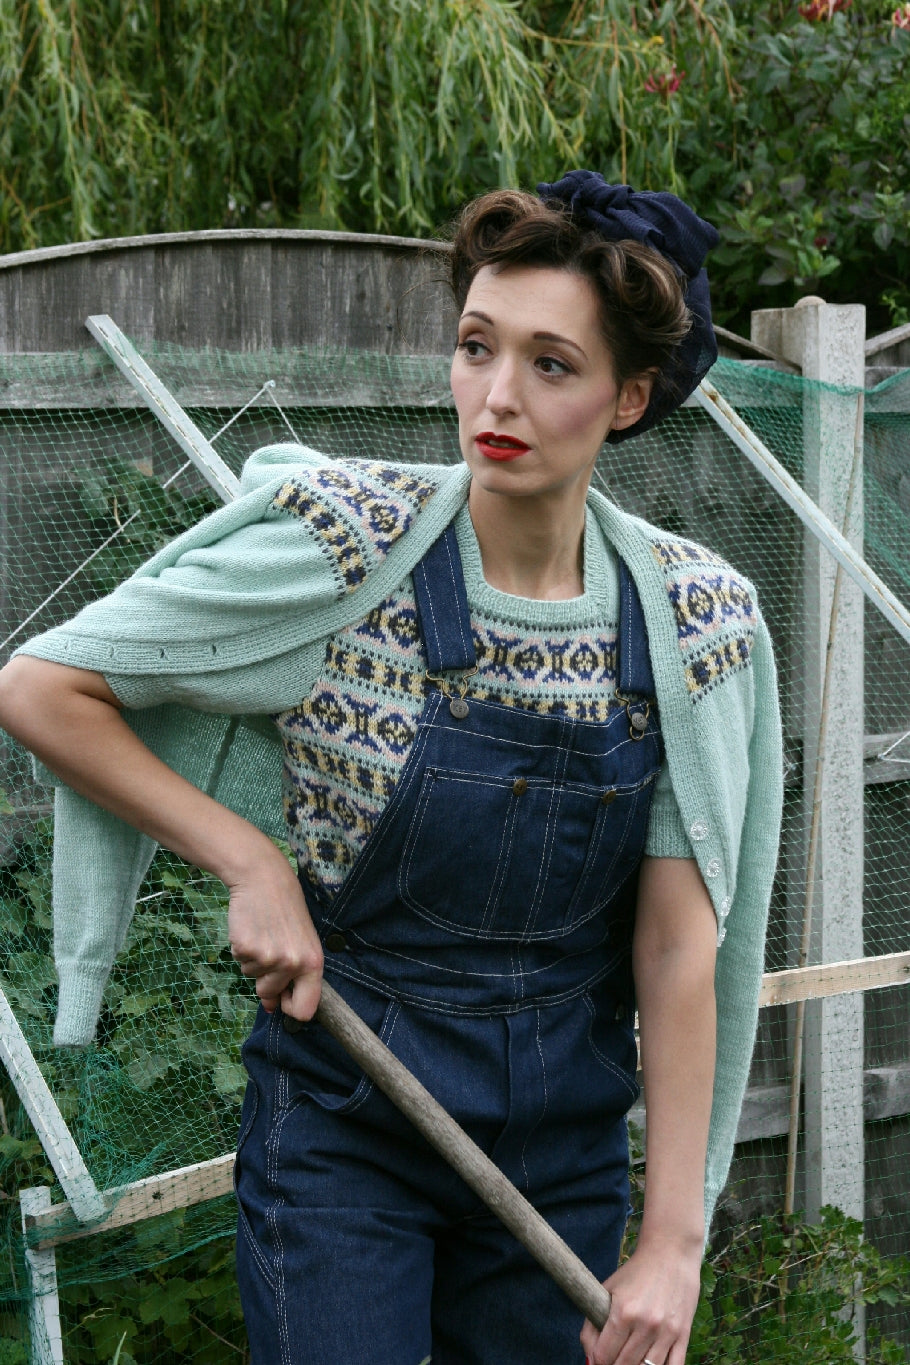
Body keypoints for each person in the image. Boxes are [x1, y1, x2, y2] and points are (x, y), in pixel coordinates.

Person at [0, 171, 782, 1365]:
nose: (496, 396)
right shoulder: (347, 548)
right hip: (343, 1133)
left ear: (628, 398)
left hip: (559, 1154)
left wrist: (673, 1243)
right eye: (476, 347)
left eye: (550, 365)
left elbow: (680, 945)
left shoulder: (692, 621)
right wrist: (248, 857)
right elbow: (45, 684)